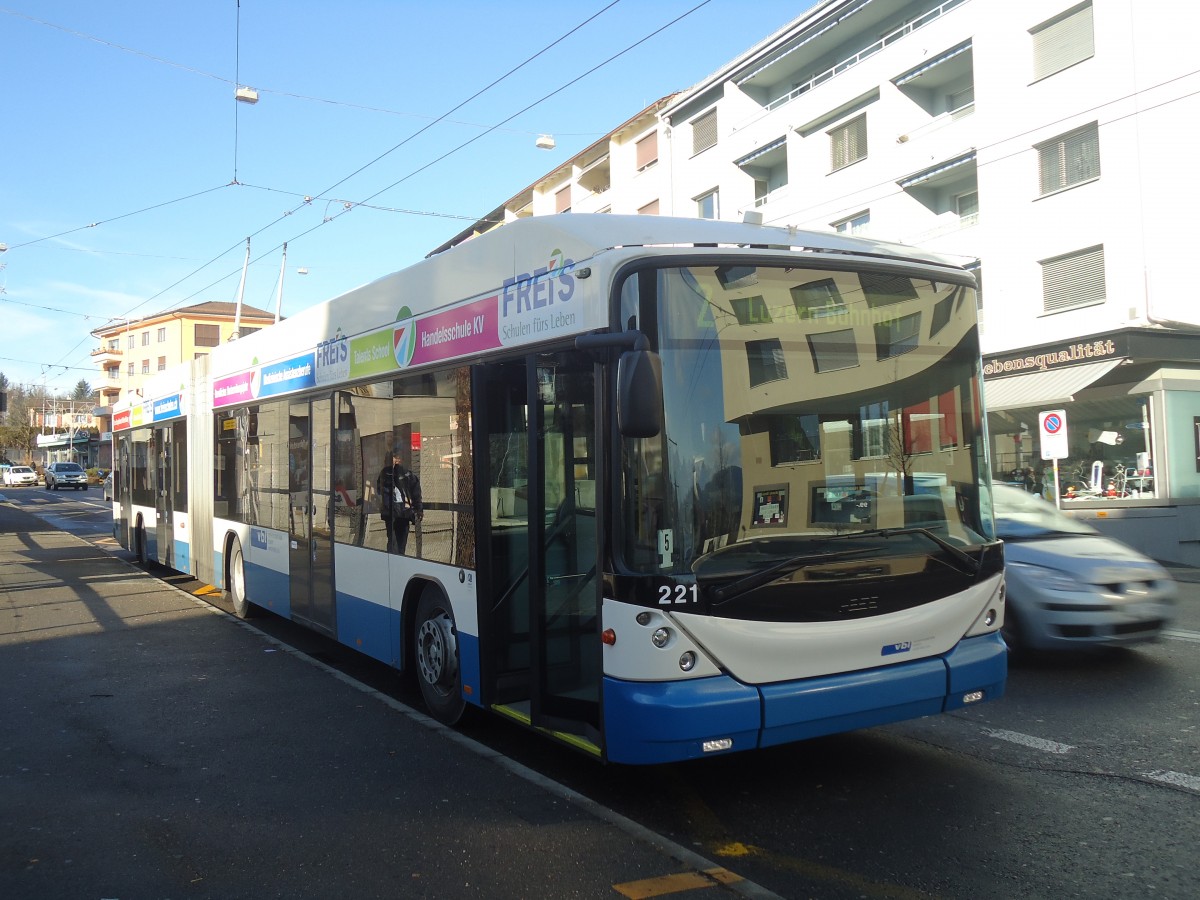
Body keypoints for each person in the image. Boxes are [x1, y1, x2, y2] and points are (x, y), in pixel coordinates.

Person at [377, 451, 423, 554]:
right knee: (393, 542)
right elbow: (380, 490)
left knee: (401, 542)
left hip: (403, 512)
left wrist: (418, 509)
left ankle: (399, 559)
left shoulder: (407, 474)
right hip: (392, 511)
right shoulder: (385, 473)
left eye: (395, 458)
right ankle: (394, 560)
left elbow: (416, 492)